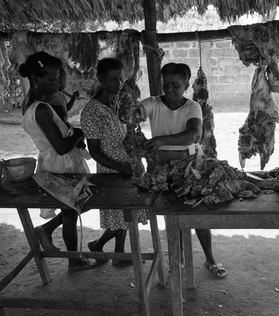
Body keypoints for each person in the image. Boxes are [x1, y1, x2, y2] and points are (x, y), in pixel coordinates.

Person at [141, 62, 227, 279]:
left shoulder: (192, 107)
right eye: (166, 85)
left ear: (187, 85)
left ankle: (210, 258)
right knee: (172, 216)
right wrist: (132, 114)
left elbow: (193, 136)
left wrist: (160, 140)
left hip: (190, 168)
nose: (170, 90)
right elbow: (134, 114)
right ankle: (177, 260)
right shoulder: (152, 104)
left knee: (197, 215)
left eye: (176, 86)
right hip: (161, 170)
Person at [19, 51, 94, 272]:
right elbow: (61, 147)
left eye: (57, 78)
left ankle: (55, 238)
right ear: (36, 79)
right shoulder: (41, 109)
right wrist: (79, 133)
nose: (56, 84)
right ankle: (71, 258)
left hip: (56, 164)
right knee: (73, 210)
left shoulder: (33, 105)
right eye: (51, 80)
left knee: (74, 208)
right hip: (61, 166)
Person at [80, 58, 147, 266]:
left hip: (129, 163)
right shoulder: (91, 112)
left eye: (120, 79)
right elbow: (95, 152)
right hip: (111, 169)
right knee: (120, 215)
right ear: (100, 79)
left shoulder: (119, 101)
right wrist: (120, 168)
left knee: (127, 213)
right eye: (112, 80)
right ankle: (100, 246)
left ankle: (118, 252)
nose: (118, 84)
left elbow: (130, 126)